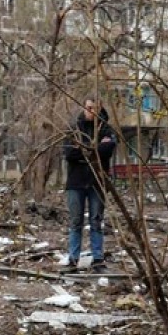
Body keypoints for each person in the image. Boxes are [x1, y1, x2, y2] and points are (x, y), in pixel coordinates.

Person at [62, 98, 116, 273]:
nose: (91, 111)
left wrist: (84, 150)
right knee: (76, 221)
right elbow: (69, 153)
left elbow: (108, 150)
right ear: (84, 108)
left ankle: (98, 260)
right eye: (88, 107)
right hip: (76, 182)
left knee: (96, 221)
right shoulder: (74, 128)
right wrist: (94, 150)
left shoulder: (106, 129)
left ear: (100, 109)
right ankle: (73, 259)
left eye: (95, 108)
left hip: (97, 181)